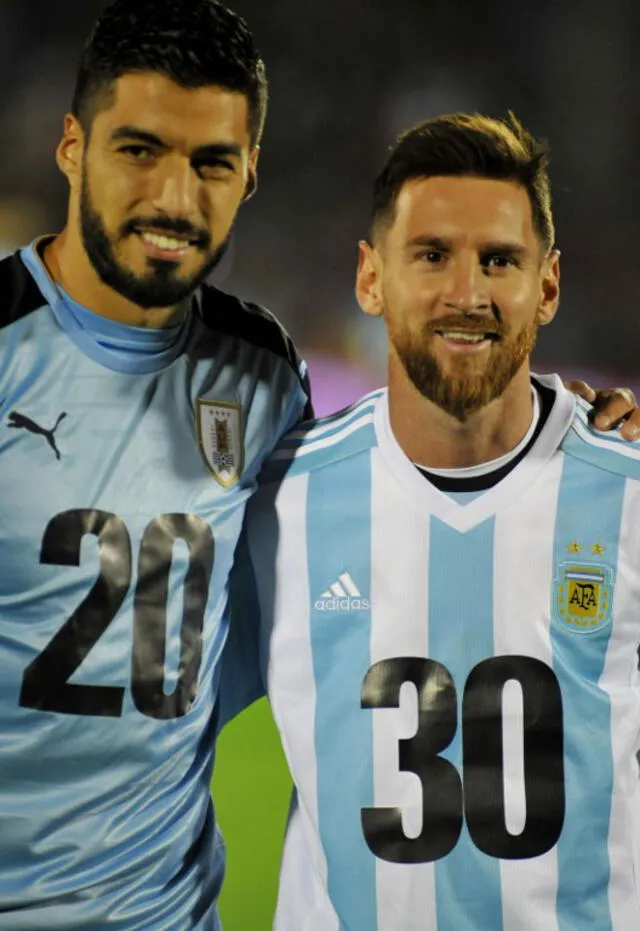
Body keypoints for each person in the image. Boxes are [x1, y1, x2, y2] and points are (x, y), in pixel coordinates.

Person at [227, 112, 640, 929]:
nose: (467, 291)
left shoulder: (628, 493)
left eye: (500, 259)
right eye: (432, 255)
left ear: (547, 285)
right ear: (370, 277)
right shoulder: (278, 500)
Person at [0, 1, 312, 928]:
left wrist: (565, 417)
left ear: (250, 173)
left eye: (212, 162)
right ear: (71, 145)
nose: (176, 198)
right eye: (139, 150)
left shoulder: (263, 372)